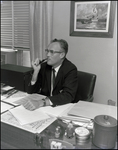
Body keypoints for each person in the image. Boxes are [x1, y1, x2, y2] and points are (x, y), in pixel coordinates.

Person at [25, 38, 78, 110]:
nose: (48, 55)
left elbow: (68, 95)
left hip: (60, 107)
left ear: (62, 55)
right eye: (47, 51)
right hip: (45, 108)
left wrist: (42, 102)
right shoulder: (44, 66)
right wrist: (36, 72)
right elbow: (31, 91)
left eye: (52, 52)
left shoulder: (70, 69)